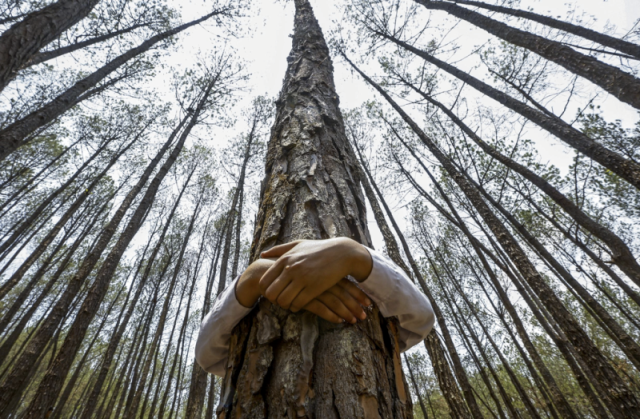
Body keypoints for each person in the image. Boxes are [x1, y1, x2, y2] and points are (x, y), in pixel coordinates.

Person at [196, 237, 435, 376]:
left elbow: (419, 319)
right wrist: (251, 279)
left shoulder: (370, 268)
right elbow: (208, 356)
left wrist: (352, 254)